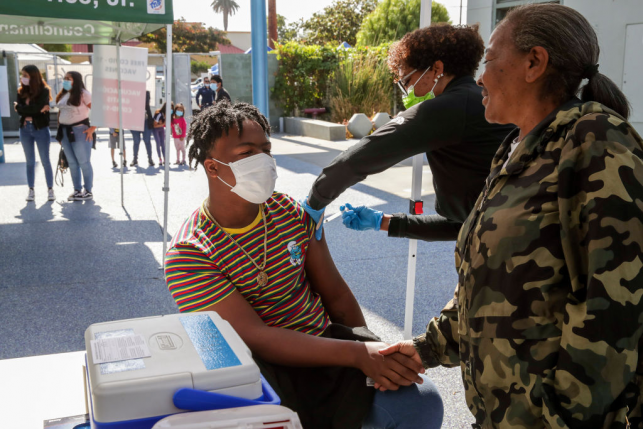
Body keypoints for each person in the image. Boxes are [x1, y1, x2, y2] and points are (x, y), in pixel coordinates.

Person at [380, 4, 643, 428]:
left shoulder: (595, 142)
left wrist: (559, 418)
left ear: (533, 63)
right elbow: (489, 282)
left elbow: (612, 307)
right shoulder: (514, 148)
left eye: (489, 60)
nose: (480, 77)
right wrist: (426, 349)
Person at [165, 101, 444, 429]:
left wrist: (370, 350)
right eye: (247, 153)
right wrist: (357, 357)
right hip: (263, 376)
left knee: (421, 402)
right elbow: (256, 337)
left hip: (328, 350)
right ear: (213, 168)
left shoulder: (289, 211)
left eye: (267, 150)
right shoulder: (189, 252)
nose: (264, 161)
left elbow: (337, 297)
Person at [302, 24, 514, 241]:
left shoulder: (447, 109)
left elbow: (358, 159)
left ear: (436, 69)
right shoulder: (478, 101)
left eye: (407, 82)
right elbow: (462, 225)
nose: (406, 93)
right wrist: (381, 221)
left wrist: (313, 202)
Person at [14, 65, 54, 202]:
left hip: (40, 129)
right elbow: (23, 110)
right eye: (22, 75)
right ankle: (31, 190)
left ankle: (50, 189)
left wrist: (22, 108)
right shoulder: (20, 91)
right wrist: (25, 109)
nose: (22, 78)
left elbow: (30, 109)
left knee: (45, 160)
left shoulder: (44, 90)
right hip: (25, 129)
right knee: (30, 162)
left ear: (33, 76)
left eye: (25, 75)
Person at [55, 71, 96, 201]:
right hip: (65, 132)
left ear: (76, 80)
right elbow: (61, 113)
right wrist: (60, 134)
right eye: (65, 78)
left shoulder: (84, 94)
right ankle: (77, 190)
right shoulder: (64, 94)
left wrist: (92, 129)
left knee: (84, 162)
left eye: (69, 78)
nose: (65, 80)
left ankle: (88, 190)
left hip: (80, 131)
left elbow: (97, 111)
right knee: (72, 163)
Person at [130, 90, 155, 167]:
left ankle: (150, 159)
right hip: (135, 122)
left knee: (147, 141)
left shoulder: (146, 92)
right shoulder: (132, 93)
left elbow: (147, 103)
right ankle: (135, 159)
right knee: (136, 141)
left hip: (146, 122)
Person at [152, 102, 168, 166]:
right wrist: (162, 124)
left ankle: (165, 159)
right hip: (156, 129)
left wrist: (162, 124)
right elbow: (154, 125)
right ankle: (160, 159)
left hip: (161, 128)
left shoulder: (167, 115)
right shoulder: (159, 114)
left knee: (163, 144)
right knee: (158, 143)